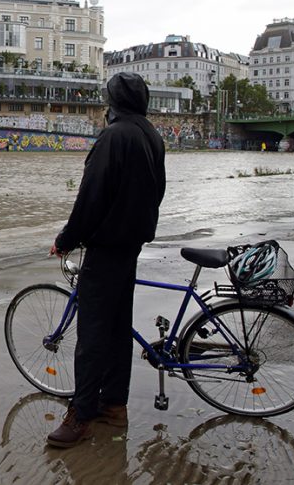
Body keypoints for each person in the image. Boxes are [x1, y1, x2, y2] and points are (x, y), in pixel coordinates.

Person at [46, 71, 167, 448]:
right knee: (116, 330)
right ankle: (114, 407)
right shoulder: (150, 134)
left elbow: (91, 197)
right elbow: (158, 190)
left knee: (93, 336)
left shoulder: (113, 137)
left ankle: (81, 415)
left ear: (111, 103)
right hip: (130, 245)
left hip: (106, 247)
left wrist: (67, 239)